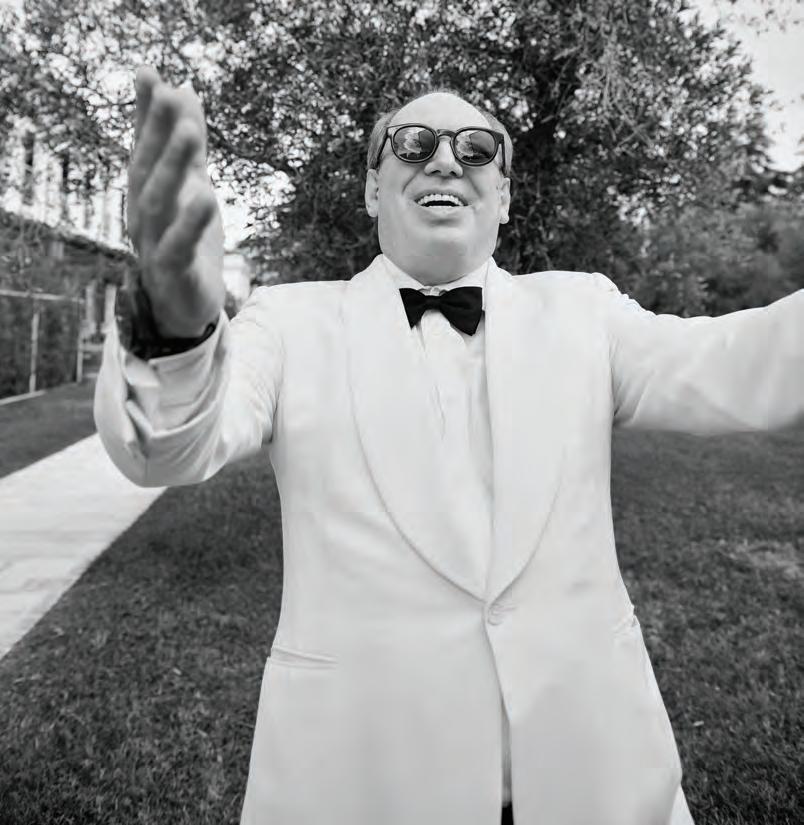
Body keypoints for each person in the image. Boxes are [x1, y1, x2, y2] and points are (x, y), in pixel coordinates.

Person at [94, 67, 804, 825]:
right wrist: (176, 327)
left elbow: (739, 363)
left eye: (475, 149)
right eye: (413, 143)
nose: (444, 160)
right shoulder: (289, 322)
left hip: (594, 778)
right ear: (373, 190)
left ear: (504, 197)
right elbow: (168, 448)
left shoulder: (585, 310)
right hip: (361, 784)